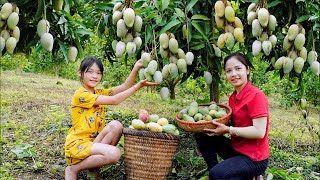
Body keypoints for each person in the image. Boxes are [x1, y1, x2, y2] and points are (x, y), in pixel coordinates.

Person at [64, 57, 158, 180]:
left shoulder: (98, 92)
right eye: (90, 71)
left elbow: (124, 86)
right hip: (79, 144)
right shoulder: (81, 95)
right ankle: (73, 169)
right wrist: (137, 86)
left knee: (116, 125)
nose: (95, 76)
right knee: (114, 153)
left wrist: (136, 68)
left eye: (98, 73)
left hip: (94, 142)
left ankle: (93, 169)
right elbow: (114, 100)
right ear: (80, 73)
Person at [195, 52, 269, 180]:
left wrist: (228, 130)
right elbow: (235, 121)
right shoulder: (233, 97)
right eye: (229, 71)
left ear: (247, 70)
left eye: (238, 68)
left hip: (254, 158)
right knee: (202, 133)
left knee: (217, 175)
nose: (233, 74)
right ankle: (221, 171)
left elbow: (259, 132)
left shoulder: (256, 96)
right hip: (237, 150)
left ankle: (251, 172)